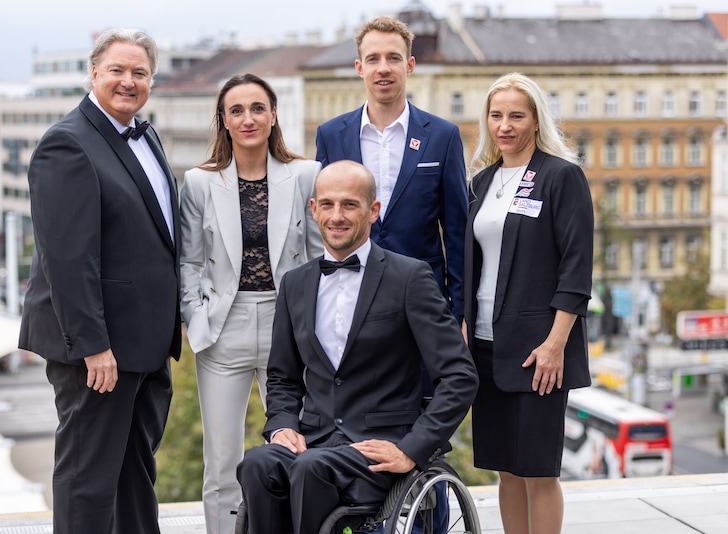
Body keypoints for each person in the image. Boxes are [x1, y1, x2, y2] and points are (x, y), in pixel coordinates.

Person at [236, 160, 478, 534]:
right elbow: (282, 377)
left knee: (309, 469)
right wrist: (281, 425)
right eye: (328, 204)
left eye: (349, 204)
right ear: (314, 209)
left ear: (373, 211)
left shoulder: (409, 278)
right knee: (257, 463)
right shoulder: (295, 284)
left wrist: (411, 449)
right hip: (314, 441)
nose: (337, 216)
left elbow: (460, 377)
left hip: (380, 448)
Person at [18, 29, 181, 534]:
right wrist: (94, 347)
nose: (128, 81)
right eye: (117, 70)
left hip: (142, 347)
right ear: (93, 73)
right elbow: (68, 261)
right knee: (87, 480)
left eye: (139, 73)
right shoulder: (67, 144)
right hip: (99, 353)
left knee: (135, 475)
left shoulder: (143, 135)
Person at [179, 73, 322, 534]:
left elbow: (320, 257)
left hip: (289, 328)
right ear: (222, 119)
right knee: (222, 464)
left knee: (295, 451)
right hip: (224, 329)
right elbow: (188, 263)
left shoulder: (305, 175)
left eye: (257, 108)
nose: (248, 119)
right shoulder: (200, 183)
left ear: (274, 114)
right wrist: (195, 317)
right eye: (236, 110)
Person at [462, 72, 594, 534]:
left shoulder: (561, 176)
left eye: (517, 115)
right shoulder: (481, 182)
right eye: (496, 116)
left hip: (538, 348)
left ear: (536, 120)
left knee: (539, 469)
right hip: (485, 344)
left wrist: (556, 344)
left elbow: (576, 271)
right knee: (506, 468)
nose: (506, 125)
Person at [315, 15, 468, 322]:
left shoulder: (442, 135)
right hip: (349, 299)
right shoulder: (331, 135)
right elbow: (322, 221)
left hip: (423, 302)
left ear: (409, 65)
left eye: (393, 58)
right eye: (373, 59)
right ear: (360, 68)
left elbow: (457, 232)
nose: (383, 68)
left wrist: (459, 313)